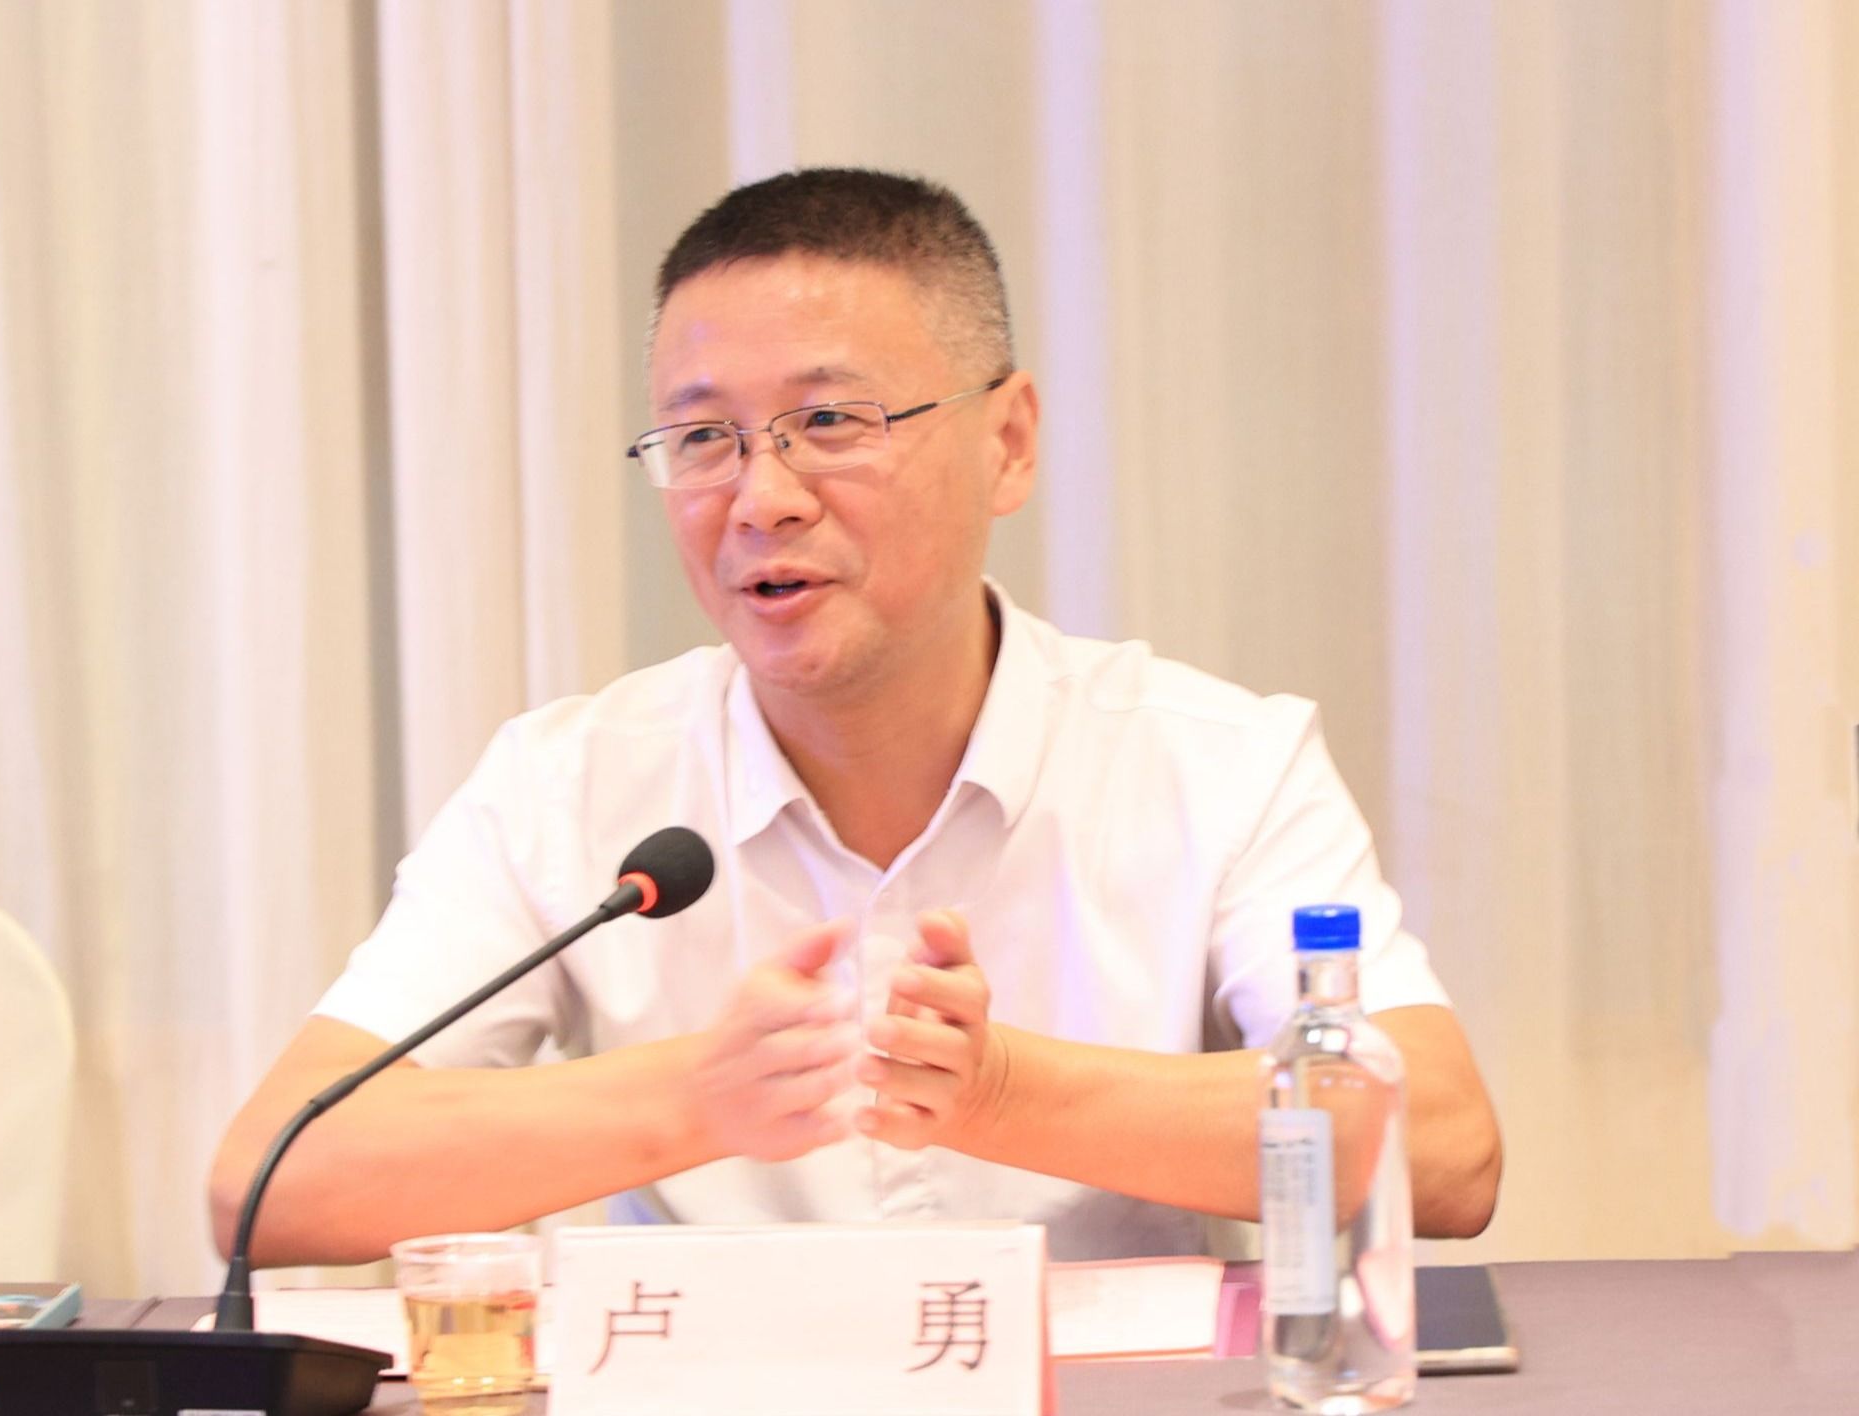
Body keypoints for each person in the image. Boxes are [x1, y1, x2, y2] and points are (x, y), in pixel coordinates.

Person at [210, 168, 1501, 1266]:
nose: (761, 497)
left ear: (1008, 441)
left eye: (829, 421)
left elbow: (1444, 1149)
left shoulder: (1216, 764)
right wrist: (696, 1097)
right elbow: (271, 1180)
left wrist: (1008, 1094)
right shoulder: (571, 785)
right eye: (701, 439)